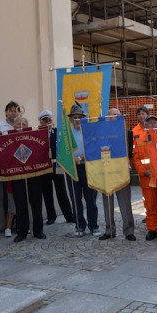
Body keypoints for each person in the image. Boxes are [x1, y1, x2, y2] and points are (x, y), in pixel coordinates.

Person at [100, 108, 136, 241]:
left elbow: (130, 153)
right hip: (106, 172)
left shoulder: (127, 133)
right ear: (107, 117)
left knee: (125, 202)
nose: (114, 117)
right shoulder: (101, 133)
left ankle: (129, 231)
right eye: (111, 115)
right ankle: (109, 230)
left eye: (117, 115)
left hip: (121, 172)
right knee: (107, 202)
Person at [65, 102, 100, 237]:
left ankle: (94, 226)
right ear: (70, 119)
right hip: (72, 169)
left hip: (88, 167)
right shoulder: (66, 133)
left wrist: (82, 157)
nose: (77, 120)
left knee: (90, 198)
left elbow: (95, 148)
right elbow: (63, 152)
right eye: (74, 117)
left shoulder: (89, 131)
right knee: (75, 199)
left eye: (80, 117)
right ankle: (80, 225)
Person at [10, 116, 46, 243]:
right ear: (14, 127)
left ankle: (38, 230)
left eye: (24, 124)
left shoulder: (33, 138)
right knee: (20, 204)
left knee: (36, 203)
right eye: (19, 124)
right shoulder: (9, 140)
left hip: (33, 175)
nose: (21, 126)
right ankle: (22, 231)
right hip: (17, 176)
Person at [38, 110, 75, 225]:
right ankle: (51, 216)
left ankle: (69, 215)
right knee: (47, 192)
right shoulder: (38, 134)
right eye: (45, 121)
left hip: (57, 164)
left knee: (62, 191)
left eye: (49, 120)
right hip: (44, 166)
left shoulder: (57, 132)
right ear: (41, 122)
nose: (48, 123)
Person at [132, 115, 157, 241]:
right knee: (150, 206)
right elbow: (135, 160)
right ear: (145, 126)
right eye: (149, 123)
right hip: (146, 179)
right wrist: (144, 172)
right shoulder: (139, 141)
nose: (152, 125)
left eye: (154, 122)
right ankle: (152, 229)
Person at [0, 101, 19, 223]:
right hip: (7, 166)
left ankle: (20, 221)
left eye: (15, 111)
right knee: (7, 195)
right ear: (6, 112)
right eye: (11, 110)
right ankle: (9, 223)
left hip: (20, 165)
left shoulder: (21, 124)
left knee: (20, 195)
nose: (13, 113)